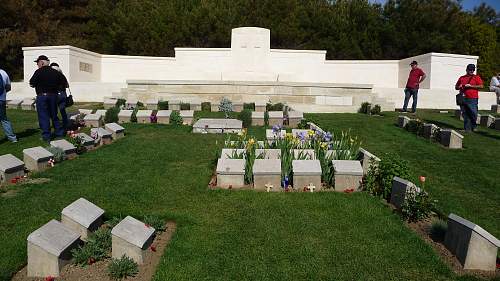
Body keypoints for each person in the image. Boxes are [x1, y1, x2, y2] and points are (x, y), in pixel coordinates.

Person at [29, 55, 65, 141]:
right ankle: (59, 133)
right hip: (53, 95)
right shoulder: (55, 72)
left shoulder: (38, 72)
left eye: (38, 63)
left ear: (41, 62)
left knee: (43, 116)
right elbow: (62, 83)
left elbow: (31, 83)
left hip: (42, 96)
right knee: (54, 115)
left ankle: (46, 136)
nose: (37, 65)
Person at [455, 64, 483, 132]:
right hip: (463, 98)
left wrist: (471, 86)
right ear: (466, 69)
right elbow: (456, 87)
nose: (471, 71)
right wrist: (459, 86)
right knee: (465, 113)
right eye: (470, 70)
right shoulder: (462, 78)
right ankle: (467, 129)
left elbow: (481, 86)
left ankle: (473, 126)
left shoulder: (476, 77)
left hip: (472, 98)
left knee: (473, 113)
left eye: (472, 70)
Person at [50, 62, 69, 131]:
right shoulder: (62, 75)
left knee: (54, 111)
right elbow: (67, 85)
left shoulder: (52, 75)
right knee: (63, 111)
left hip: (55, 94)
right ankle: (65, 124)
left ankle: (56, 126)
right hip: (63, 94)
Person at [0, 68, 17, 142]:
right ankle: (12, 138)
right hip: (2, 99)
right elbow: (8, 87)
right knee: (4, 119)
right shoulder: (3, 72)